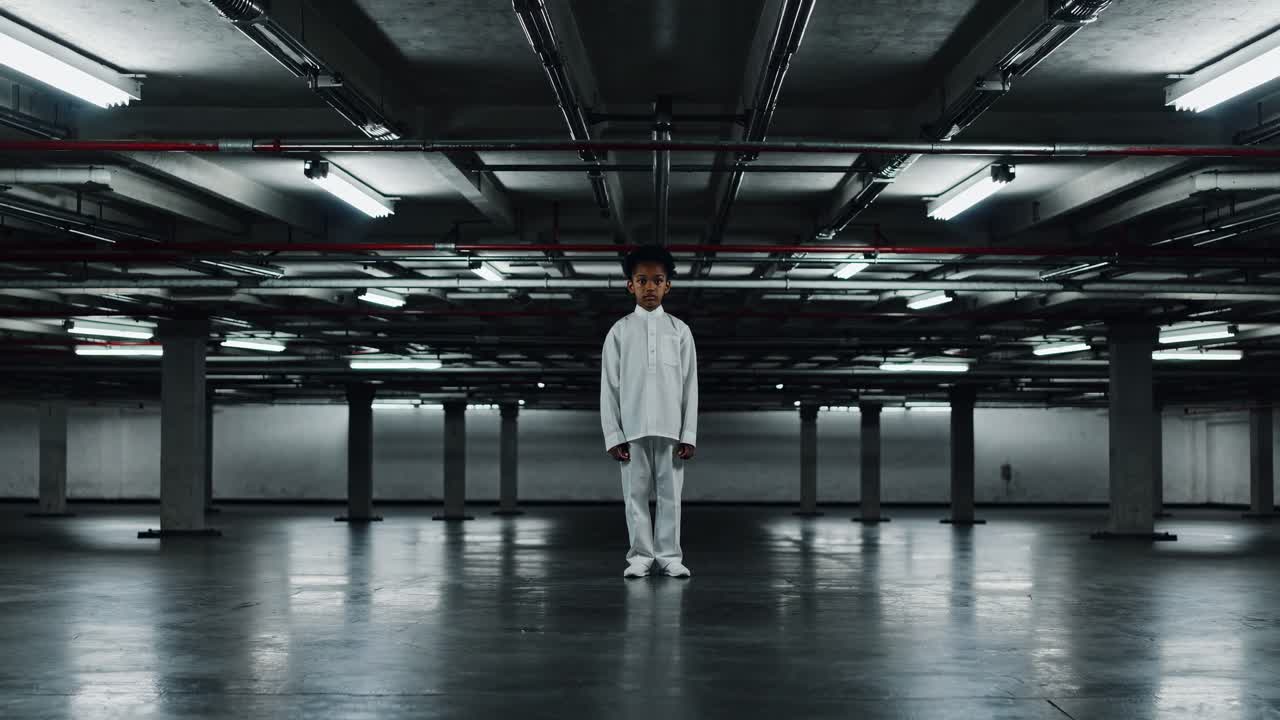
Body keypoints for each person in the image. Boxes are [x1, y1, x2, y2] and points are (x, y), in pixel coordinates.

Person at [600, 245, 698, 579]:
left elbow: (690, 385)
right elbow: (609, 386)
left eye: (657, 280)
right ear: (631, 285)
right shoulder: (619, 331)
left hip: (672, 428)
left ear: (668, 285)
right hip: (632, 428)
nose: (650, 287)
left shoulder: (680, 331)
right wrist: (613, 434)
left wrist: (689, 434)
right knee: (635, 496)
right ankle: (640, 557)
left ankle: (670, 557)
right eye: (642, 280)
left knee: (671, 497)